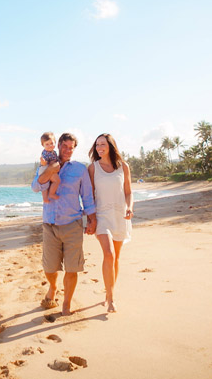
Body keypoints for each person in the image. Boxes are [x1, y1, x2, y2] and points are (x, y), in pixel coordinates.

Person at [30, 132, 97, 317]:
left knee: (72, 267)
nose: (68, 150)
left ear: (74, 149)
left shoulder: (80, 169)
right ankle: (53, 287)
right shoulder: (46, 164)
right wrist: (51, 171)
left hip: (72, 224)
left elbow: (87, 197)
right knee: (49, 268)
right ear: (58, 145)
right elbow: (36, 187)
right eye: (65, 146)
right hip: (50, 224)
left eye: (71, 147)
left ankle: (66, 304)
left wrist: (92, 220)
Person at [87, 133, 134, 313]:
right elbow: (89, 195)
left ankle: (109, 292)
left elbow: (129, 192)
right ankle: (111, 299)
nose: (99, 148)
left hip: (120, 215)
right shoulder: (93, 168)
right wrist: (91, 219)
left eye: (103, 145)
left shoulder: (123, 167)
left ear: (111, 146)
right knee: (108, 254)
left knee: (116, 257)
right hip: (102, 216)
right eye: (97, 145)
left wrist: (129, 207)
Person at [37, 131, 61, 203]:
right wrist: (43, 161)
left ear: (55, 143)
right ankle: (51, 193)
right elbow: (44, 163)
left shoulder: (54, 152)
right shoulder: (45, 152)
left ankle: (45, 199)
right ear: (43, 145)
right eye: (47, 144)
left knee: (45, 185)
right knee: (57, 181)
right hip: (45, 168)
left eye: (51, 143)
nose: (50, 145)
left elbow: (56, 160)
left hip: (48, 169)